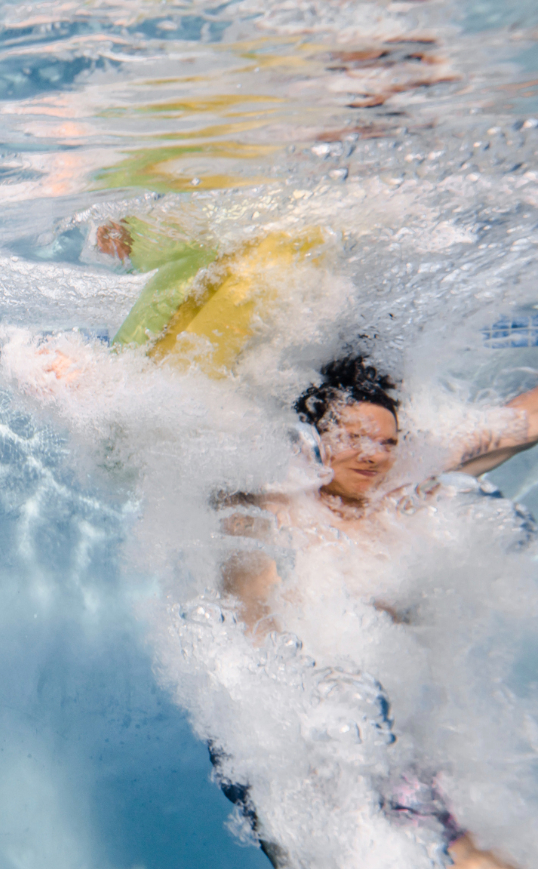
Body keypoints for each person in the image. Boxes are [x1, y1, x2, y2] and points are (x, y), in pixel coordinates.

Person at [216, 354, 538, 869]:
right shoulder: (269, 503)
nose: (373, 456)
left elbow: (519, 422)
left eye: (388, 443)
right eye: (354, 439)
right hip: (295, 733)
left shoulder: (403, 488)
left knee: (474, 856)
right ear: (312, 439)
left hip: (390, 730)